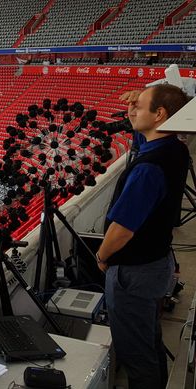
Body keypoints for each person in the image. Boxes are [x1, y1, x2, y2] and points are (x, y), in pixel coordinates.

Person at [97, 84, 190, 389]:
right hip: (156, 263)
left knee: (136, 354)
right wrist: (136, 108)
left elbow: (122, 229)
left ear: (160, 114)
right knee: (149, 342)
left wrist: (102, 256)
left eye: (140, 105)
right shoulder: (174, 147)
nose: (133, 108)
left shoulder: (148, 170)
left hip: (134, 274)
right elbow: (144, 138)